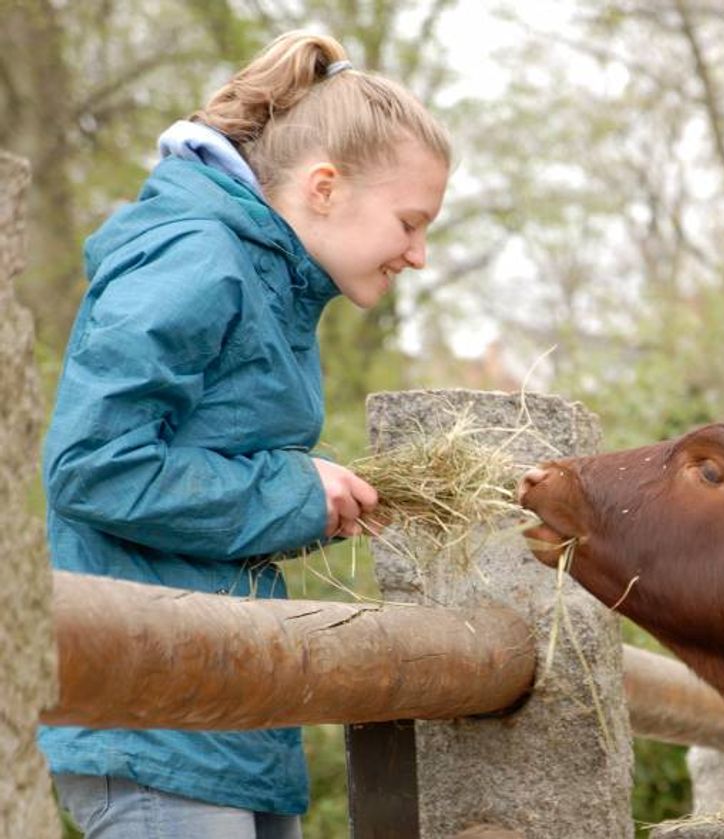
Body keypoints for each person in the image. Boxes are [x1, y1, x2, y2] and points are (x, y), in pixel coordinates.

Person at [40, 30, 450, 838]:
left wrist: (311, 500)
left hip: (229, 713)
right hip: (153, 723)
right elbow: (93, 466)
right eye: (410, 222)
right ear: (324, 187)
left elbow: (202, 472)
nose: (420, 253)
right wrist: (295, 490)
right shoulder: (197, 257)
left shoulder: (277, 283)